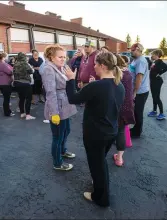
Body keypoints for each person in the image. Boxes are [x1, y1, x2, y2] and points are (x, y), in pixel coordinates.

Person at [65, 51, 125, 207]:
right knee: (100, 163)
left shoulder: (96, 86)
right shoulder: (119, 85)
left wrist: (71, 79)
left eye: (96, 65)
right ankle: (99, 183)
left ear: (103, 66)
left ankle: (101, 198)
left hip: (95, 134)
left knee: (97, 165)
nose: (94, 67)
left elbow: (73, 98)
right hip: (110, 131)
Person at [41, 44, 78, 171]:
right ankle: (57, 162)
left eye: (64, 57)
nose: (63, 59)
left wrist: (71, 78)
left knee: (66, 131)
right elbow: (50, 92)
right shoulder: (48, 69)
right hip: (57, 105)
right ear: (51, 57)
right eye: (60, 57)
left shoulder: (61, 67)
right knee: (58, 136)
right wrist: (54, 112)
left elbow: (67, 81)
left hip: (65, 104)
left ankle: (62, 151)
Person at [113, 55, 135, 167]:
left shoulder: (115, 74)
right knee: (121, 132)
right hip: (127, 106)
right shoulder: (128, 73)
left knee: (109, 131)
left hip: (115, 107)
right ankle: (120, 159)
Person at [129, 43, 150, 138]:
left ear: (138, 50)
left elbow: (139, 78)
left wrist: (134, 93)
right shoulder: (136, 60)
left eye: (133, 50)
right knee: (135, 111)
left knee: (138, 111)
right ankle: (136, 128)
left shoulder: (141, 61)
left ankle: (137, 132)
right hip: (138, 90)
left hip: (140, 91)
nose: (131, 52)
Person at [147, 49, 167, 120]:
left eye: (152, 54)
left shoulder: (159, 61)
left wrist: (159, 73)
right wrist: (149, 61)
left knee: (156, 97)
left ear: (156, 55)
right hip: (153, 81)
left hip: (157, 81)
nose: (151, 55)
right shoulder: (154, 62)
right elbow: (149, 68)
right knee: (154, 96)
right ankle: (154, 111)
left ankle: (162, 113)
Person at [13, 52, 36, 120]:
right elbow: (31, 71)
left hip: (17, 82)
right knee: (28, 99)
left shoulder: (15, 64)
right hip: (25, 83)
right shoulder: (25, 63)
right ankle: (28, 115)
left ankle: (22, 113)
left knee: (21, 98)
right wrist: (32, 68)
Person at [0, 52, 15, 117]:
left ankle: (8, 111)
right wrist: (12, 69)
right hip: (5, 83)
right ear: (4, 57)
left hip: (3, 83)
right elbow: (10, 71)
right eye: (7, 56)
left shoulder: (0, 63)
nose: (7, 58)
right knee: (6, 99)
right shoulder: (3, 64)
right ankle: (7, 112)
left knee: (6, 98)